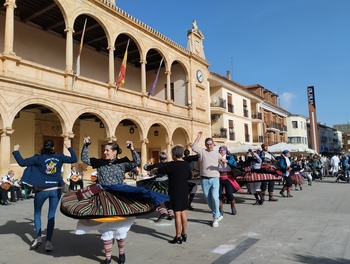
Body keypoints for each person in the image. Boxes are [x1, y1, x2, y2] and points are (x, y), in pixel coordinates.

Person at [62, 137, 168, 264]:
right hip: (103, 196)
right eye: (105, 150)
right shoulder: (99, 162)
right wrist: (86, 145)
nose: (105, 152)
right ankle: (107, 257)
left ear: (115, 152)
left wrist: (132, 149)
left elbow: (137, 161)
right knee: (105, 226)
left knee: (121, 227)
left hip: (120, 195)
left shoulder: (122, 163)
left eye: (107, 150)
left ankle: (121, 253)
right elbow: (85, 159)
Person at [12, 139, 77, 251]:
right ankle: (49, 242)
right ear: (54, 146)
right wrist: (69, 147)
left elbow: (22, 162)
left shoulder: (38, 157)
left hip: (41, 190)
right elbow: (74, 159)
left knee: (37, 213)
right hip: (55, 189)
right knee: (51, 215)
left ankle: (38, 238)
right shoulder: (59, 157)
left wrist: (16, 150)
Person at [151, 145, 192, 244]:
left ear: (174, 155)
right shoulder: (186, 164)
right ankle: (184, 233)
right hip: (184, 190)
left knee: (177, 213)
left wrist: (153, 170)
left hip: (175, 190)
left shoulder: (171, 165)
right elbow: (190, 176)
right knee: (184, 212)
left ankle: (178, 236)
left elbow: (158, 170)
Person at [191, 131, 222, 228]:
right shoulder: (202, 152)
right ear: (205, 145)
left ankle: (216, 216)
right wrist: (198, 137)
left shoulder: (217, 154)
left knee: (215, 197)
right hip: (204, 179)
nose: (209, 146)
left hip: (215, 178)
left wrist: (223, 161)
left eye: (211, 144)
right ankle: (217, 214)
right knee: (208, 199)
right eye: (207, 144)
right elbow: (193, 147)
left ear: (213, 144)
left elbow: (223, 164)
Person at [142, 151, 174, 222]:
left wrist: (148, 164)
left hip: (157, 183)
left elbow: (145, 167)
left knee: (154, 197)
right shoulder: (169, 164)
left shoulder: (156, 165)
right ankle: (170, 214)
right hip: (167, 182)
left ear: (159, 158)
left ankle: (162, 212)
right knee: (167, 197)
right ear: (166, 158)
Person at [217, 145, 240, 215]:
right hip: (219, 177)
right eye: (220, 150)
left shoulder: (229, 157)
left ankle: (233, 206)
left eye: (222, 150)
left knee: (229, 194)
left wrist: (226, 161)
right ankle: (220, 209)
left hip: (228, 177)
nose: (221, 151)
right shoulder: (216, 157)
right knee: (219, 194)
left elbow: (234, 164)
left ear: (225, 151)